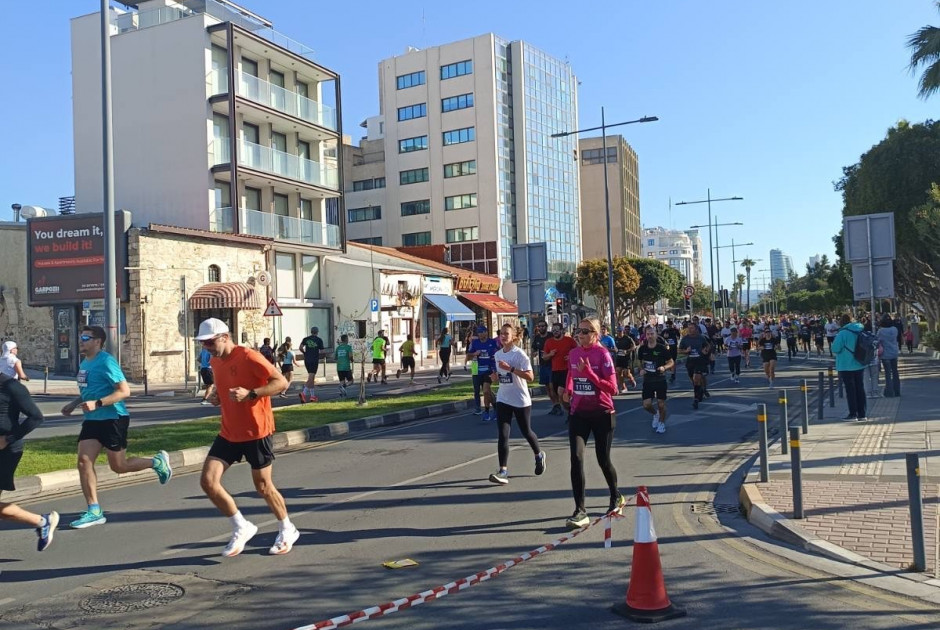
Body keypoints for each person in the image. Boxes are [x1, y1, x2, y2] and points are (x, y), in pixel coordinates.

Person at [195, 318, 299, 557]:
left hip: (257, 431)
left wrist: (251, 394)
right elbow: (226, 389)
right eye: (203, 344)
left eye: (210, 342)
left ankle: (287, 528)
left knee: (263, 486)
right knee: (208, 481)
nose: (206, 347)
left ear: (225, 337)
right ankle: (241, 526)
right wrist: (218, 398)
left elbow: (281, 382)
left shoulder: (249, 356)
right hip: (229, 431)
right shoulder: (215, 361)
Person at [60, 326, 172, 529]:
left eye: (86, 337)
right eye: (81, 337)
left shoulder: (106, 361)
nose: (81, 340)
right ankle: (94, 510)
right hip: (93, 420)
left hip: (113, 418)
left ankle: (156, 462)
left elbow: (124, 391)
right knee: (84, 462)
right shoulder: (85, 362)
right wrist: (75, 403)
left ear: (98, 341)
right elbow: (90, 390)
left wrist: (99, 403)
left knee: (119, 466)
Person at [561, 318, 625, 530]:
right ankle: (580, 510)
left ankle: (616, 496)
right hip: (578, 412)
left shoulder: (602, 354)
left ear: (596, 334)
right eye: (579, 330)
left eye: (586, 331)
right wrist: (568, 390)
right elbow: (571, 373)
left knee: (603, 459)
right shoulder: (574, 353)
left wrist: (590, 374)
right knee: (576, 458)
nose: (580, 334)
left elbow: (613, 388)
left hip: (602, 413)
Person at [0, 373, 58, 551]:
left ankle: (42, 522)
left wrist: (8, 439)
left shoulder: (11, 386)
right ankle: (42, 521)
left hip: (6, 451)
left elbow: (36, 417)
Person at [487, 324, 545, 484]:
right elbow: (502, 375)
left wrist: (511, 369)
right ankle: (503, 471)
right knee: (503, 435)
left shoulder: (519, 355)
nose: (503, 336)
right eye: (501, 334)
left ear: (513, 336)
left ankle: (539, 455)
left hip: (520, 400)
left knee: (526, 431)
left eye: (506, 334)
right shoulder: (498, 354)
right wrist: (496, 377)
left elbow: (530, 377)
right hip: (503, 399)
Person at [637, 325, 674, 434]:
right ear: (645, 335)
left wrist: (664, 367)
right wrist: (641, 369)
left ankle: (661, 423)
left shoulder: (661, 348)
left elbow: (671, 362)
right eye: (648, 334)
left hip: (660, 379)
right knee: (646, 405)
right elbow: (639, 361)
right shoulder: (642, 349)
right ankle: (655, 414)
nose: (650, 336)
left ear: (656, 334)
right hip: (648, 380)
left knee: (661, 403)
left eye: (652, 334)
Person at [831, 314, 868, 421]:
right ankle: (862, 414)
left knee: (850, 390)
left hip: (846, 365)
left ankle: (853, 414)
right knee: (860, 388)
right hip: (859, 362)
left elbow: (835, 348)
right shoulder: (859, 330)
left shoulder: (842, 333)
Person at [542, 323, 578, 416]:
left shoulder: (569, 340)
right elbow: (544, 357)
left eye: (557, 330)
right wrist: (550, 354)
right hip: (555, 370)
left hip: (567, 370)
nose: (555, 332)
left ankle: (572, 411)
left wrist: (571, 356)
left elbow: (579, 351)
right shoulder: (549, 342)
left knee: (561, 392)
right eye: (553, 330)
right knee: (557, 394)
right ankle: (570, 411)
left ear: (562, 330)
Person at [468, 326, 500, 421]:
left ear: (486, 332)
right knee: (477, 390)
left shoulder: (492, 342)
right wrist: (474, 354)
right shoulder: (474, 343)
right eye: (479, 332)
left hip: (489, 369)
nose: (480, 334)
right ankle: (491, 408)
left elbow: (498, 353)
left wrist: (495, 366)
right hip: (475, 368)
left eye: (482, 332)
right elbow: (468, 355)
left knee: (486, 390)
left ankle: (486, 411)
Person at [678, 324, 710, 409]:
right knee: (693, 380)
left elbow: (707, 345)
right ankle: (701, 390)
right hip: (690, 361)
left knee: (696, 379)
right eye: (689, 328)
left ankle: (696, 398)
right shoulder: (685, 339)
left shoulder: (701, 338)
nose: (689, 330)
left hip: (700, 361)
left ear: (696, 329)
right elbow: (679, 350)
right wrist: (685, 351)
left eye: (691, 328)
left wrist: (705, 350)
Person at [299, 327, 324, 403]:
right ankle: (304, 393)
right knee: (311, 378)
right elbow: (322, 351)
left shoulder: (306, 339)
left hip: (307, 359)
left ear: (311, 331)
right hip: (314, 360)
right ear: (317, 332)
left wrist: (305, 353)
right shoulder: (319, 340)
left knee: (311, 377)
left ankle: (312, 396)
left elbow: (300, 347)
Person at [876, 317, 900, 397]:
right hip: (894, 352)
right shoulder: (894, 329)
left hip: (885, 354)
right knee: (895, 372)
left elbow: (877, 340)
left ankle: (889, 392)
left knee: (887, 374)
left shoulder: (881, 331)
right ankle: (897, 391)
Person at [530, 321, 552, 401]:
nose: (541, 328)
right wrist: (533, 354)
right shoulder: (537, 337)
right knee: (547, 386)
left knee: (552, 385)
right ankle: (554, 404)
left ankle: (558, 403)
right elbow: (533, 348)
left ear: (546, 327)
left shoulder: (551, 336)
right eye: (539, 326)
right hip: (543, 364)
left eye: (543, 326)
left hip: (552, 364)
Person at [613, 327, 637, 395]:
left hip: (627, 358)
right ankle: (623, 387)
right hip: (619, 358)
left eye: (620, 331)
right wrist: (615, 350)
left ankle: (631, 379)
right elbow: (614, 347)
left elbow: (634, 346)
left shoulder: (628, 338)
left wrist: (627, 351)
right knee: (618, 371)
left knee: (626, 373)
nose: (619, 333)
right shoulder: (616, 339)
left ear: (623, 332)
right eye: (618, 332)